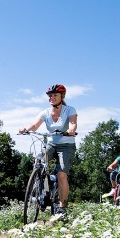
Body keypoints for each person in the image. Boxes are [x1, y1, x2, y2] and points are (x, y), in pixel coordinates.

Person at [19, 84, 77, 220]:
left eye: (55, 95)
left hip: (66, 145)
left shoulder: (69, 110)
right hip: (51, 143)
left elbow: (73, 123)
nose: (52, 97)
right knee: (39, 161)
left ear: (61, 97)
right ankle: (41, 186)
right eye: (50, 95)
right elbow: (34, 125)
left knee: (62, 174)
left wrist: (71, 130)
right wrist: (26, 129)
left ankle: (62, 208)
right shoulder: (45, 113)